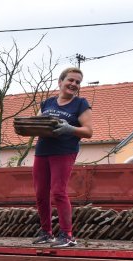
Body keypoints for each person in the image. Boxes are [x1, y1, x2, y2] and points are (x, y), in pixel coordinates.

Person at [31, 67, 93, 248]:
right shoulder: (47, 103)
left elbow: (88, 131)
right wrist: (26, 126)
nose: (74, 84)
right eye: (71, 80)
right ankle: (46, 232)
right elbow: (36, 124)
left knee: (58, 191)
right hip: (43, 150)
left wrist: (70, 129)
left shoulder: (81, 104)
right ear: (60, 82)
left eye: (77, 82)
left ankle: (67, 235)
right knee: (41, 193)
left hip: (64, 151)